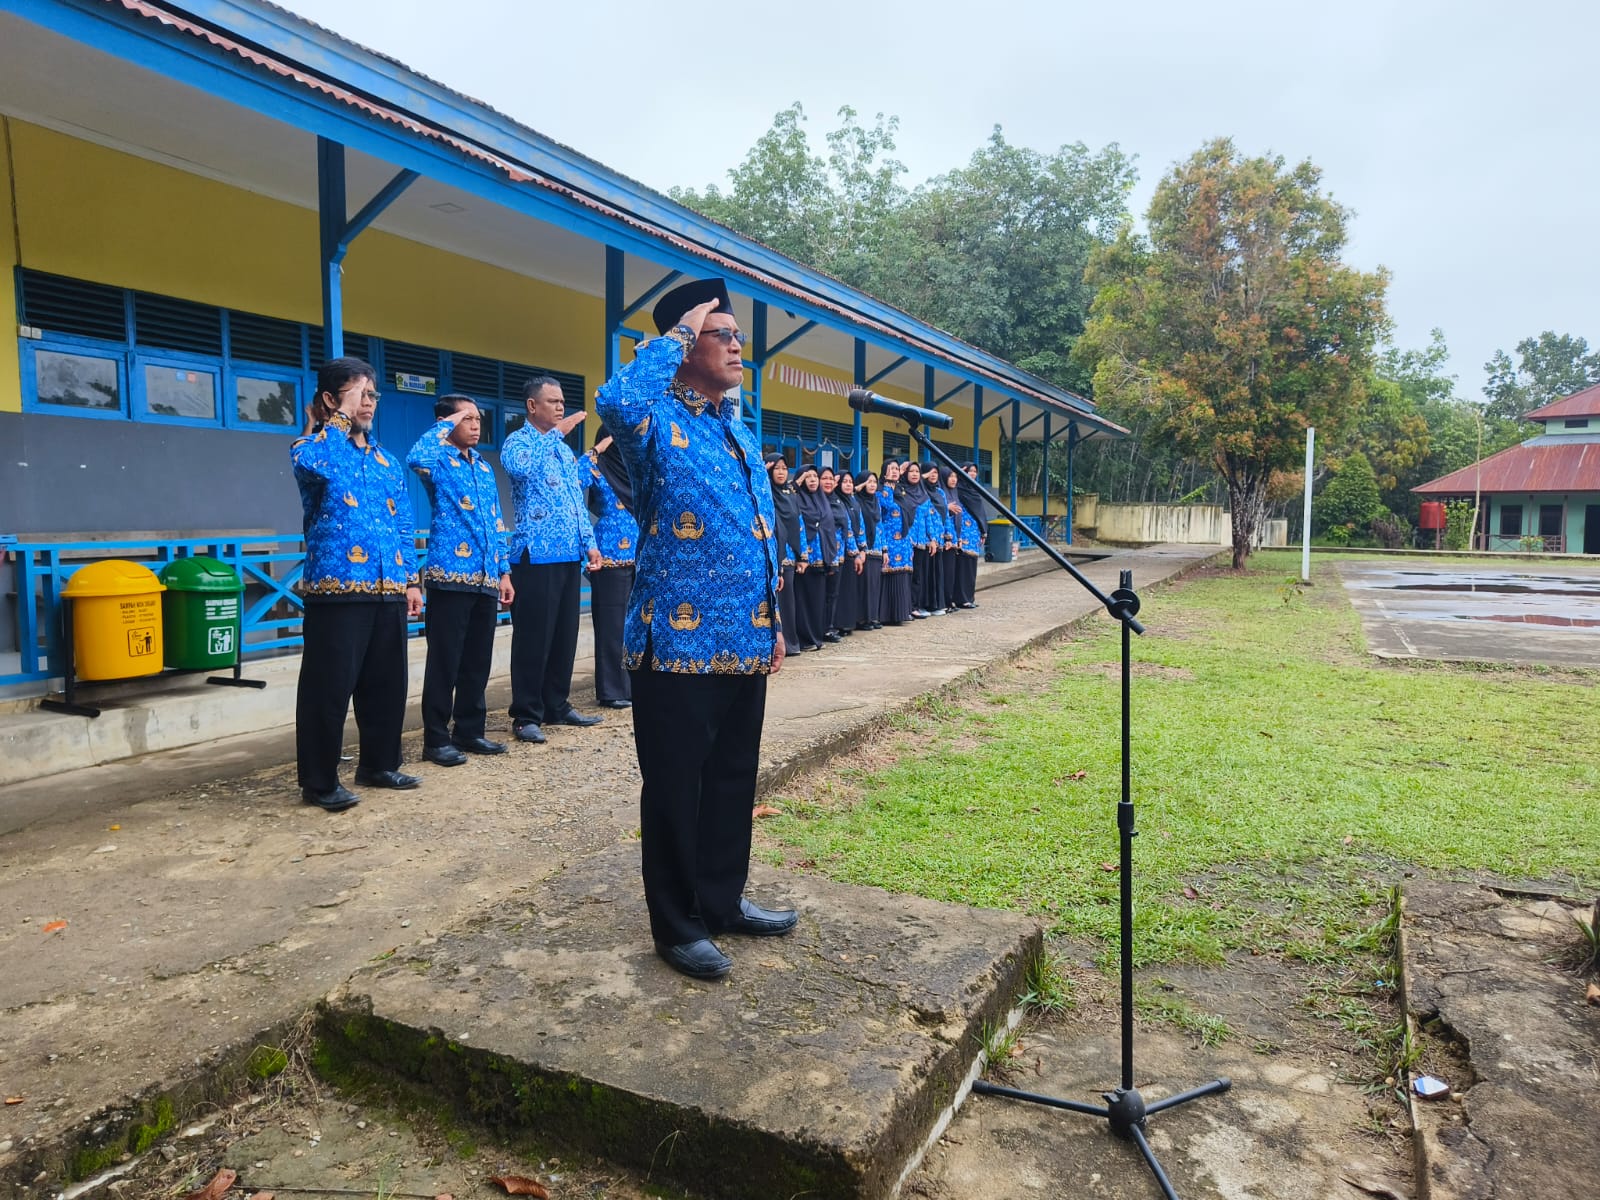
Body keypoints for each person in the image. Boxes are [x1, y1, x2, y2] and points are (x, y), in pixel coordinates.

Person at [595, 276, 794, 982]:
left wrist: (772, 622)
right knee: (678, 784)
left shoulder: (735, 424)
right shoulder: (650, 424)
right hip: (675, 641)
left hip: (742, 635)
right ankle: (676, 925)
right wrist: (680, 327)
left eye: (739, 334)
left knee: (734, 777)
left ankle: (721, 899)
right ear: (684, 347)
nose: (738, 344)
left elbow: (760, 529)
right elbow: (613, 399)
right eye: (722, 333)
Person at [290, 357, 422, 812]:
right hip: (336, 590)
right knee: (328, 689)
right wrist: (336, 419)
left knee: (386, 684)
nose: (369, 404)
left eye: (371, 395)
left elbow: (404, 521)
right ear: (330, 399)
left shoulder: (386, 460)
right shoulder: (310, 448)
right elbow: (320, 463)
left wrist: (410, 580)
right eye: (358, 395)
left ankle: (379, 764)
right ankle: (319, 781)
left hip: (387, 589)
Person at [407, 395, 514, 767]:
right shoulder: (437, 460)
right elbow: (414, 456)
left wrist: (503, 571)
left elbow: (497, 522)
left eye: (477, 418)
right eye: (466, 418)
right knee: (445, 662)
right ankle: (435, 740)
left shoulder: (483, 467)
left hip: (485, 578)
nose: (475, 424)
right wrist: (444, 423)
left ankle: (469, 731)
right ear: (446, 421)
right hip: (450, 577)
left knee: (476, 662)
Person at [501, 376, 604, 744]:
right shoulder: (519, 442)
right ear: (532, 406)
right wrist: (556, 433)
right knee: (533, 637)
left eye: (562, 402)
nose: (560, 407)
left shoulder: (561, 451)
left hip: (567, 554)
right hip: (535, 555)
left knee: (564, 635)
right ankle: (526, 714)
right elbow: (521, 469)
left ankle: (557, 704)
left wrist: (589, 544)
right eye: (552, 401)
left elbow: (576, 503)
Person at [582, 428, 638, 708]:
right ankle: (612, 690)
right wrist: (598, 450)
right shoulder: (597, 469)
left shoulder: (634, 471)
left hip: (639, 556)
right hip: (609, 557)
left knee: (636, 625)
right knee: (612, 626)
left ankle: (634, 685)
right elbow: (573, 476)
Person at [765, 454, 806, 656]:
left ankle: (789, 643)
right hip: (770, 555)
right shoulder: (765, 493)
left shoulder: (790, 495)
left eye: (784, 468)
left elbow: (799, 525)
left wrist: (802, 556)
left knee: (787, 602)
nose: (781, 472)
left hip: (788, 555)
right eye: (777, 468)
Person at [793, 464, 832, 648]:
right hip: (804, 561)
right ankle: (805, 639)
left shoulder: (822, 500)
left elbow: (829, 528)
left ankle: (817, 637)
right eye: (808, 477)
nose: (813, 480)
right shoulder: (796, 499)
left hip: (821, 560)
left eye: (815, 477)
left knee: (818, 601)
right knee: (803, 601)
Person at [877, 461, 914, 625]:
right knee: (890, 577)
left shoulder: (901, 493)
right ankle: (888, 615)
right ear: (884, 473)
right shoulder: (881, 493)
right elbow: (883, 511)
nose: (894, 472)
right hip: (889, 542)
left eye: (896, 469)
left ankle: (902, 613)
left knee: (902, 577)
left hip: (904, 543)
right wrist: (887, 487)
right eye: (890, 469)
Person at [853, 471, 884, 630]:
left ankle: (872, 617)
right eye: (868, 482)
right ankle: (862, 619)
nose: (872, 485)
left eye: (874, 482)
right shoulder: (856, 501)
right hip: (863, 549)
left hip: (877, 548)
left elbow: (880, 525)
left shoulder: (876, 501)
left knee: (874, 585)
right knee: (863, 586)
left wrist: (884, 550)